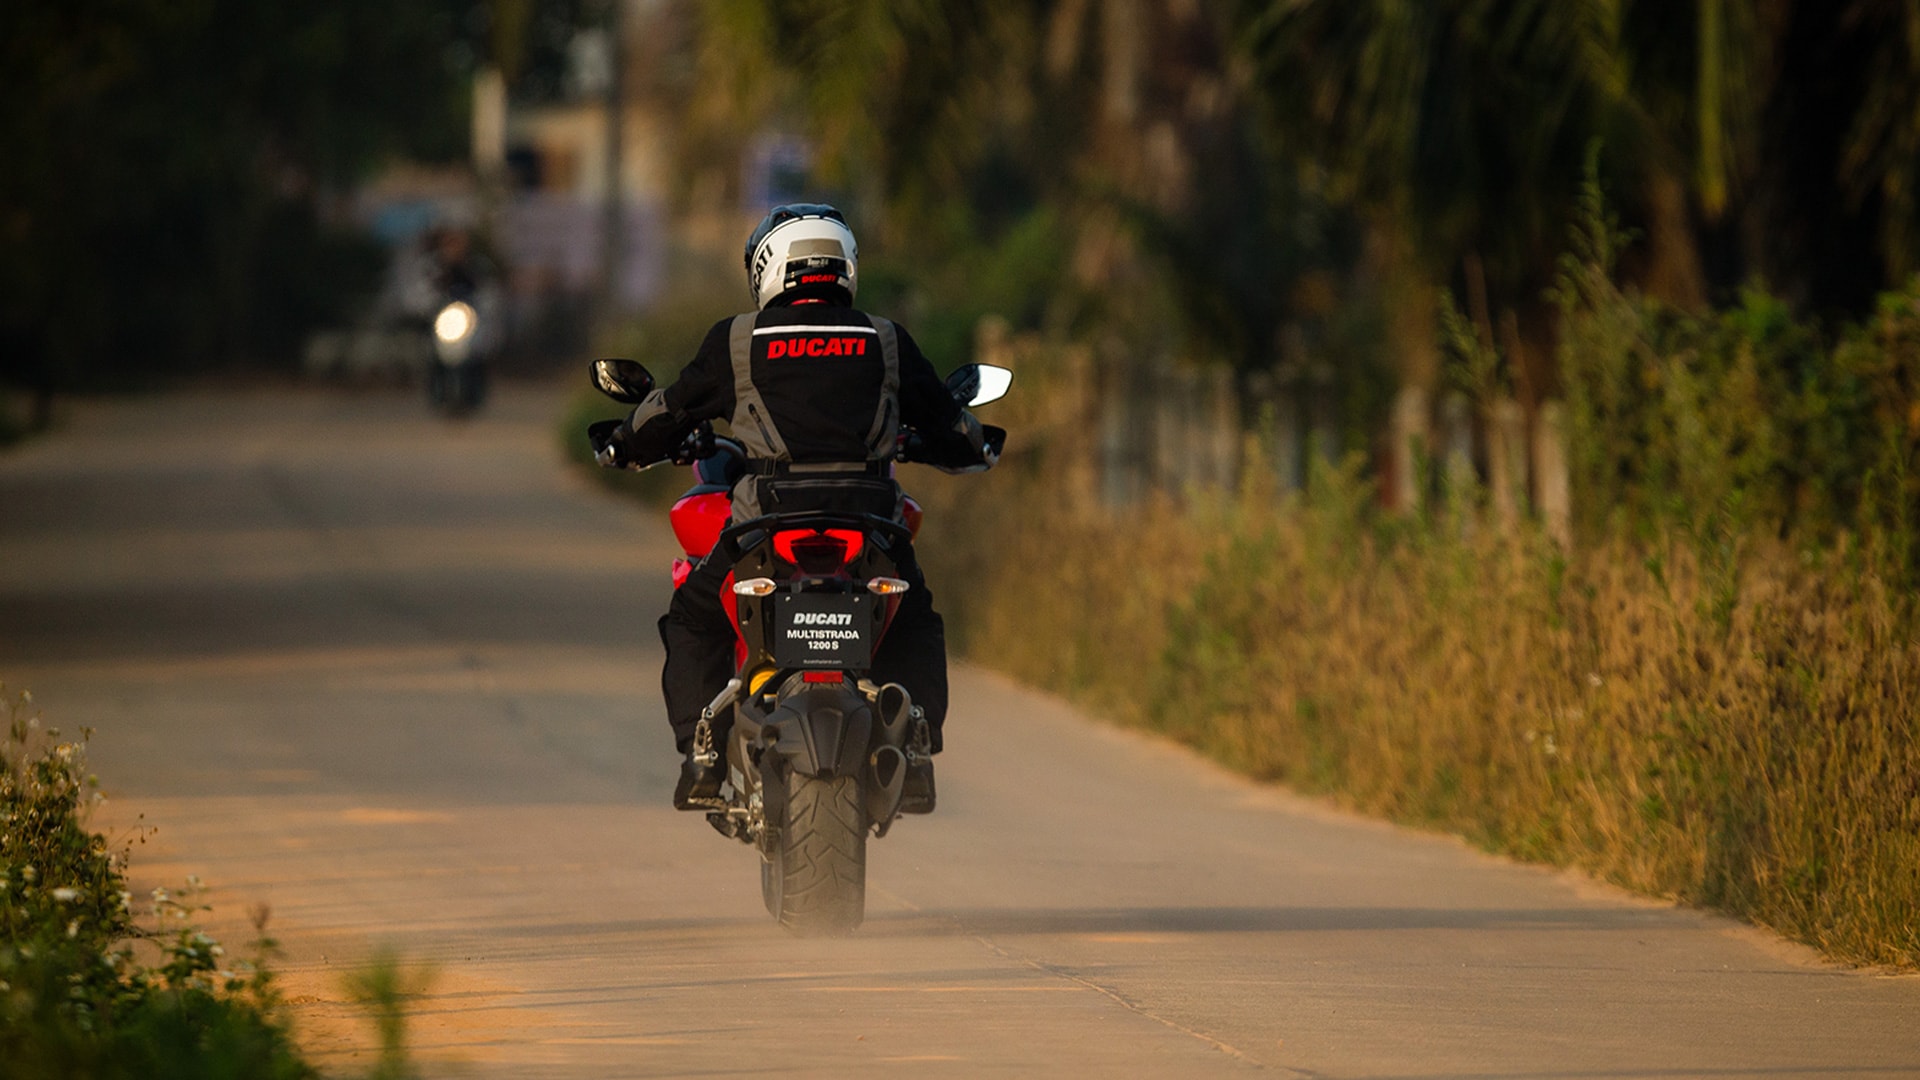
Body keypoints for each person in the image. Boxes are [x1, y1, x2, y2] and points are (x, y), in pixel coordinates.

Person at [591, 204, 1004, 810]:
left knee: (693, 617)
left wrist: (620, 444)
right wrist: (975, 444)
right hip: (871, 523)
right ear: (845, 267)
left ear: (768, 268)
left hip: (764, 522)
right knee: (916, 619)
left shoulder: (737, 339)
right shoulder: (885, 338)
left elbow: (667, 411)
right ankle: (915, 747)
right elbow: (951, 426)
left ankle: (702, 750)